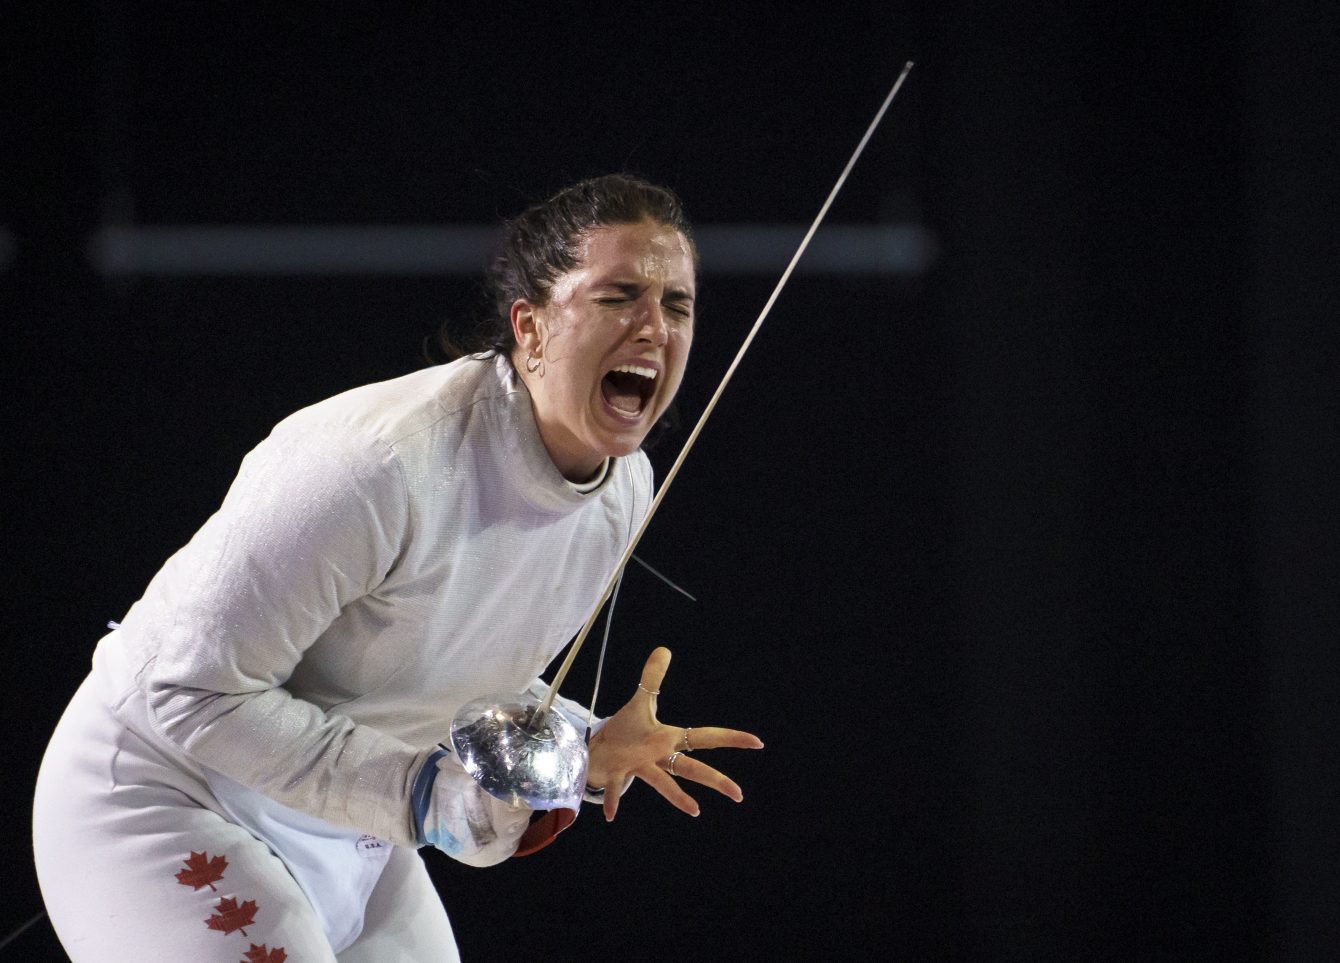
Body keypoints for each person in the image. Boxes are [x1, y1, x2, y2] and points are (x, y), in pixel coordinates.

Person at [32, 174, 764, 962]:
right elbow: (186, 685)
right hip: (169, 793)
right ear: (531, 328)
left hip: (347, 825)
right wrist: (422, 795)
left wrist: (583, 745)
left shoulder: (623, 493)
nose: (655, 327)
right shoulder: (378, 466)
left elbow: (440, 665)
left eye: (677, 304)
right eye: (620, 296)